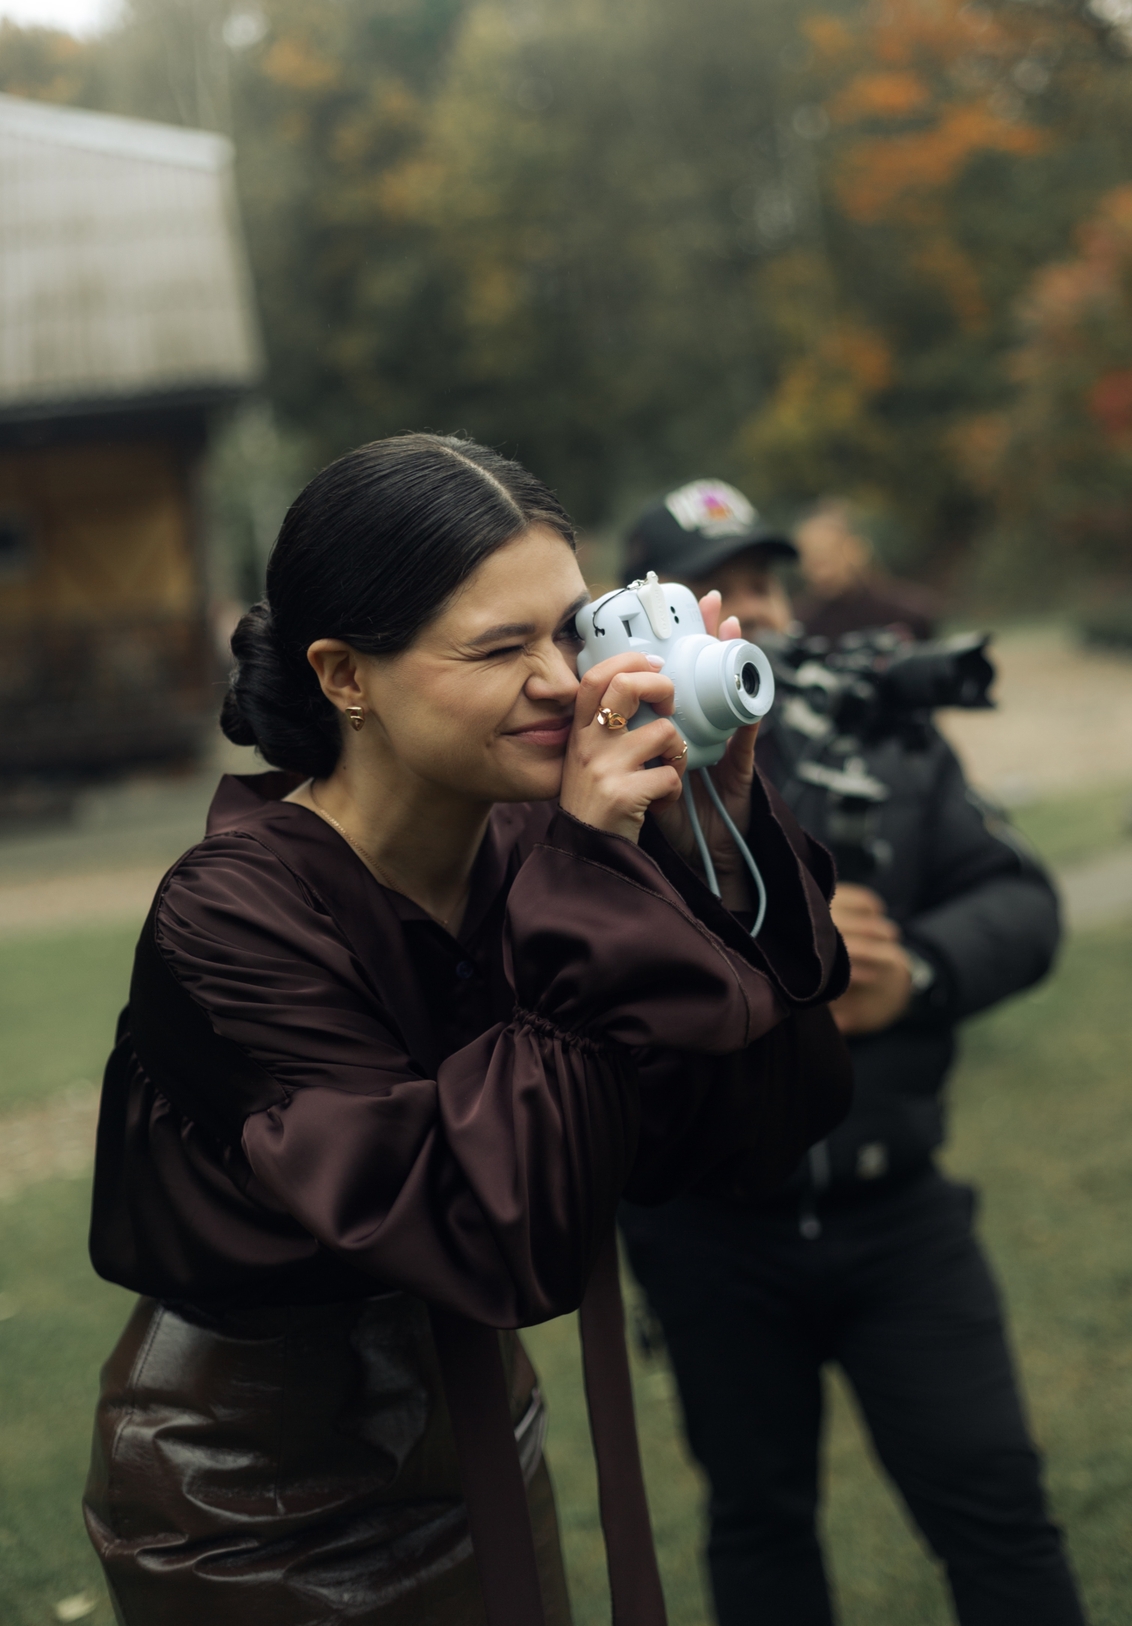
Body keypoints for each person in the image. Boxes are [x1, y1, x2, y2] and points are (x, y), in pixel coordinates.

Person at [84, 437, 852, 1626]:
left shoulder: (530, 859)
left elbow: (741, 1129)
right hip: (251, 1484)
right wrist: (593, 886)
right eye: (502, 648)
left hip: (482, 1425)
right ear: (346, 675)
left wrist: (713, 827)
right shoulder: (229, 913)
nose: (565, 681)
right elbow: (492, 1234)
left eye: (572, 630)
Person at [618, 479, 1087, 1626]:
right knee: (761, 1522)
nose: (760, 613)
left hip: (901, 1213)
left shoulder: (884, 730)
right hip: (711, 1232)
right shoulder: (614, 787)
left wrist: (909, 974)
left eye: (774, 583)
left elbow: (1019, 901)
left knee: (997, 1505)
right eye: (720, 593)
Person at [793, 498, 937, 642]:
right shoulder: (800, 624)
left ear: (856, 550)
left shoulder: (909, 613)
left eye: (827, 556)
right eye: (809, 559)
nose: (820, 572)